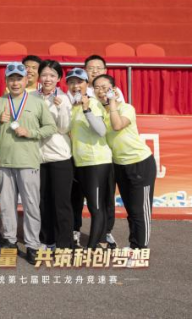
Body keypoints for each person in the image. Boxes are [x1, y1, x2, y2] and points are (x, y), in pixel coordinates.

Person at [0, 62, 56, 265]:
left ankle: (33, 245)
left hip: (28, 161)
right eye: (11, 79)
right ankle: (10, 241)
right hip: (4, 162)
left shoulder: (37, 102)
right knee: (6, 205)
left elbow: (50, 127)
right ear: (6, 81)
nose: (15, 83)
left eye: (19, 78)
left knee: (31, 205)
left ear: (26, 80)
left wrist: (31, 133)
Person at [93, 74, 156, 258]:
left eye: (105, 87)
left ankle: (140, 249)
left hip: (139, 163)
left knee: (140, 210)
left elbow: (117, 125)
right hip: (119, 165)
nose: (101, 91)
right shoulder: (100, 112)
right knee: (131, 209)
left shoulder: (126, 108)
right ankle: (134, 244)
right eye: (97, 88)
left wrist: (112, 103)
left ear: (113, 89)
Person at [66, 67, 112, 250]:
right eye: (71, 82)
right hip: (79, 162)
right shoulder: (72, 107)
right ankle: (83, 240)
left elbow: (101, 131)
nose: (75, 86)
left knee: (95, 206)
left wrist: (87, 110)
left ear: (87, 84)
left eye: (79, 82)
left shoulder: (93, 103)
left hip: (96, 162)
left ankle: (93, 247)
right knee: (79, 204)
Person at [84, 54, 121, 249]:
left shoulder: (114, 93)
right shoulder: (80, 91)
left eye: (98, 68)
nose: (95, 71)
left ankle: (106, 232)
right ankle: (75, 230)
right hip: (84, 155)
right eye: (91, 68)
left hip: (107, 153)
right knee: (84, 198)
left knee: (107, 196)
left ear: (105, 71)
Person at [36, 60, 74, 251]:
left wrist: (61, 109)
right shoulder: (31, 96)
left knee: (61, 202)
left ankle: (64, 243)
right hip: (37, 157)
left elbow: (64, 128)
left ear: (59, 78)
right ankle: (46, 240)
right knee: (42, 201)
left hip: (60, 157)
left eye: (52, 75)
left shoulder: (63, 98)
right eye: (44, 74)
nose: (48, 79)